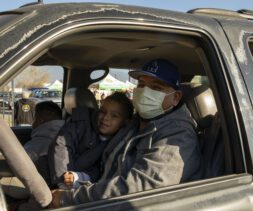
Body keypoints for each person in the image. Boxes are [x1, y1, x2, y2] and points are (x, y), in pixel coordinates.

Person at [50, 58, 202, 208]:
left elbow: (137, 189)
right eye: (141, 85)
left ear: (175, 98)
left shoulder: (178, 137)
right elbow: (106, 169)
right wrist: (80, 180)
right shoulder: (134, 124)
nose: (145, 92)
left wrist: (68, 198)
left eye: (156, 88)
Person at [48, 92, 134, 190]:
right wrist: (63, 180)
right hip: (52, 175)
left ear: (125, 122)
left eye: (114, 116)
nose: (105, 118)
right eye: (102, 111)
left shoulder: (119, 145)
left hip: (79, 185)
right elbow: (61, 146)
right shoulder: (80, 124)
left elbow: (100, 171)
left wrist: (77, 177)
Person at [1, 101, 64, 199]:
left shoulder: (42, 141)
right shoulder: (61, 133)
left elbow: (18, 165)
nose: (32, 123)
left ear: (40, 120)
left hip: (38, 188)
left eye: (34, 118)